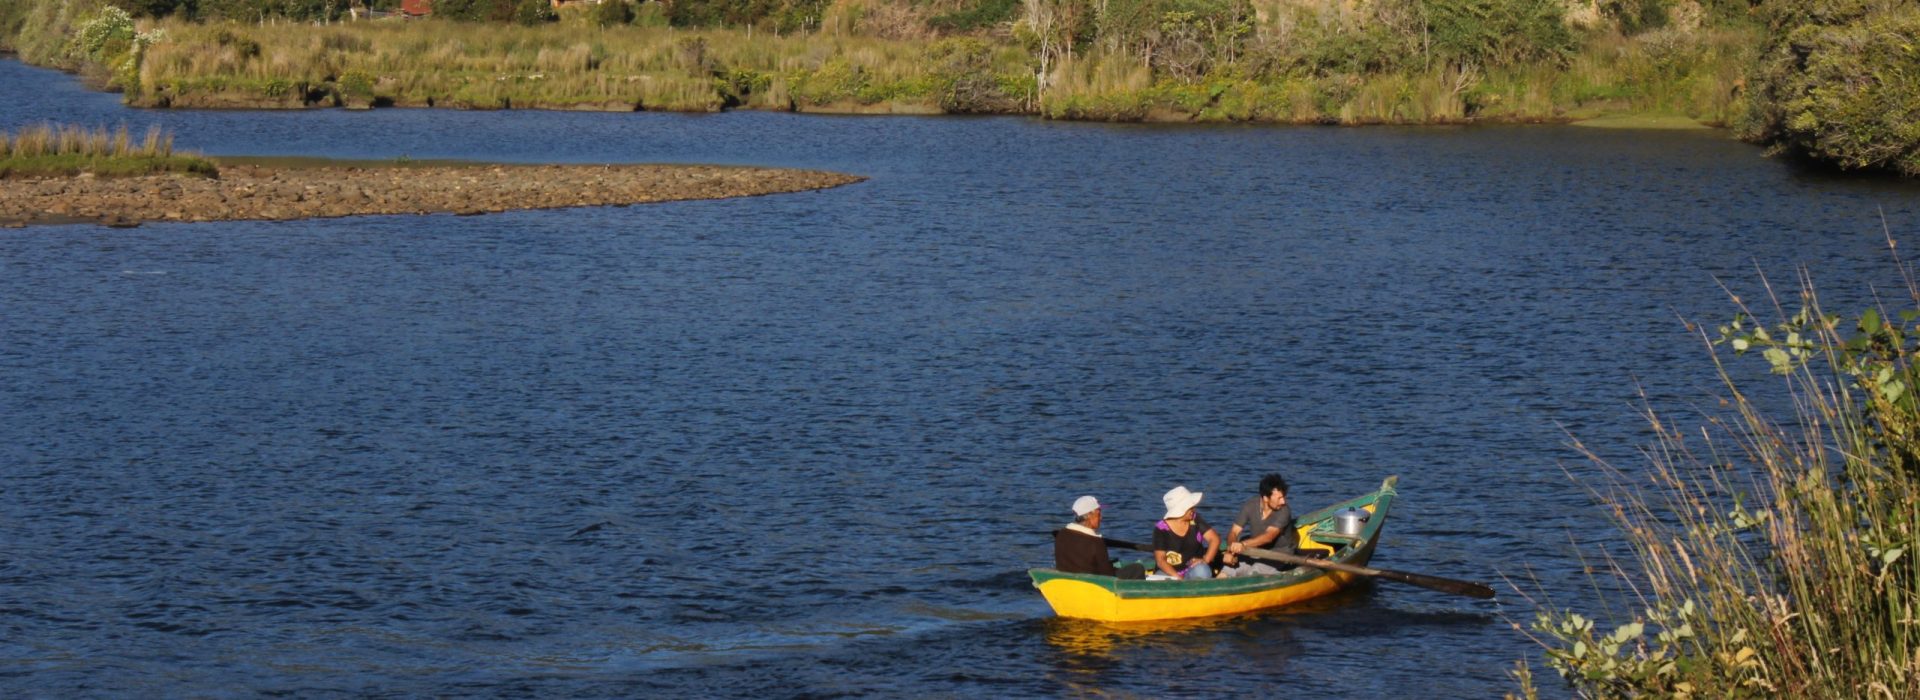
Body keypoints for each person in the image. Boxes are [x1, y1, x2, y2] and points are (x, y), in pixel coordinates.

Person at [1220, 473, 1297, 578]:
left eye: (1283, 497)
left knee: (1255, 571)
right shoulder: (1250, 505)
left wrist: (1243, 545)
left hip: (1279, 555)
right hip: (1255, 552)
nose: (1283, 501)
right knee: (1227, 570)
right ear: (1265, 498)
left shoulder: (1284, 511)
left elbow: (1269, 537)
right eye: (1279, 498)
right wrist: (1230, 550)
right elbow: (1234, 532)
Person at [1152, 486, 1220, 580]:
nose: (1193, 509)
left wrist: (1205, 560)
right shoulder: (1161, 529)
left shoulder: (1195, 519)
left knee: (1202, 571)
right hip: (1169, 573)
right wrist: (1178, 578)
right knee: (1159, 579)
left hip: (1192, 570)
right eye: (1190, 507)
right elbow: (1160, 560)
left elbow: (1214, 539)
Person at [1054, 495, 1117, 576]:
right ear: (1088, 516)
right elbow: (1107, 574)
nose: (1101, 517)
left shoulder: (1061, 534)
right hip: (1091, 583)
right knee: (1135, 569)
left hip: (1066, 578)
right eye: (1098, 513)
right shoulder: (1096, 542)